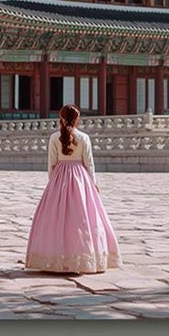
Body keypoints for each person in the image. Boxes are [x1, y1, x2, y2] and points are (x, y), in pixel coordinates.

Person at [23, 103, 120, 275]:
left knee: (56, 219)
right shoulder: (84, 138)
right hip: (80, 180)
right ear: (76, 119)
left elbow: (51, 164)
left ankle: (54, 257)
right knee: (83, 218)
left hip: (60, 177)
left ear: (61, 118)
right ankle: (84, 256)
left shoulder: (54, 137)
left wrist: (52, 185)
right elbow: (89, 163)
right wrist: (93, 182)